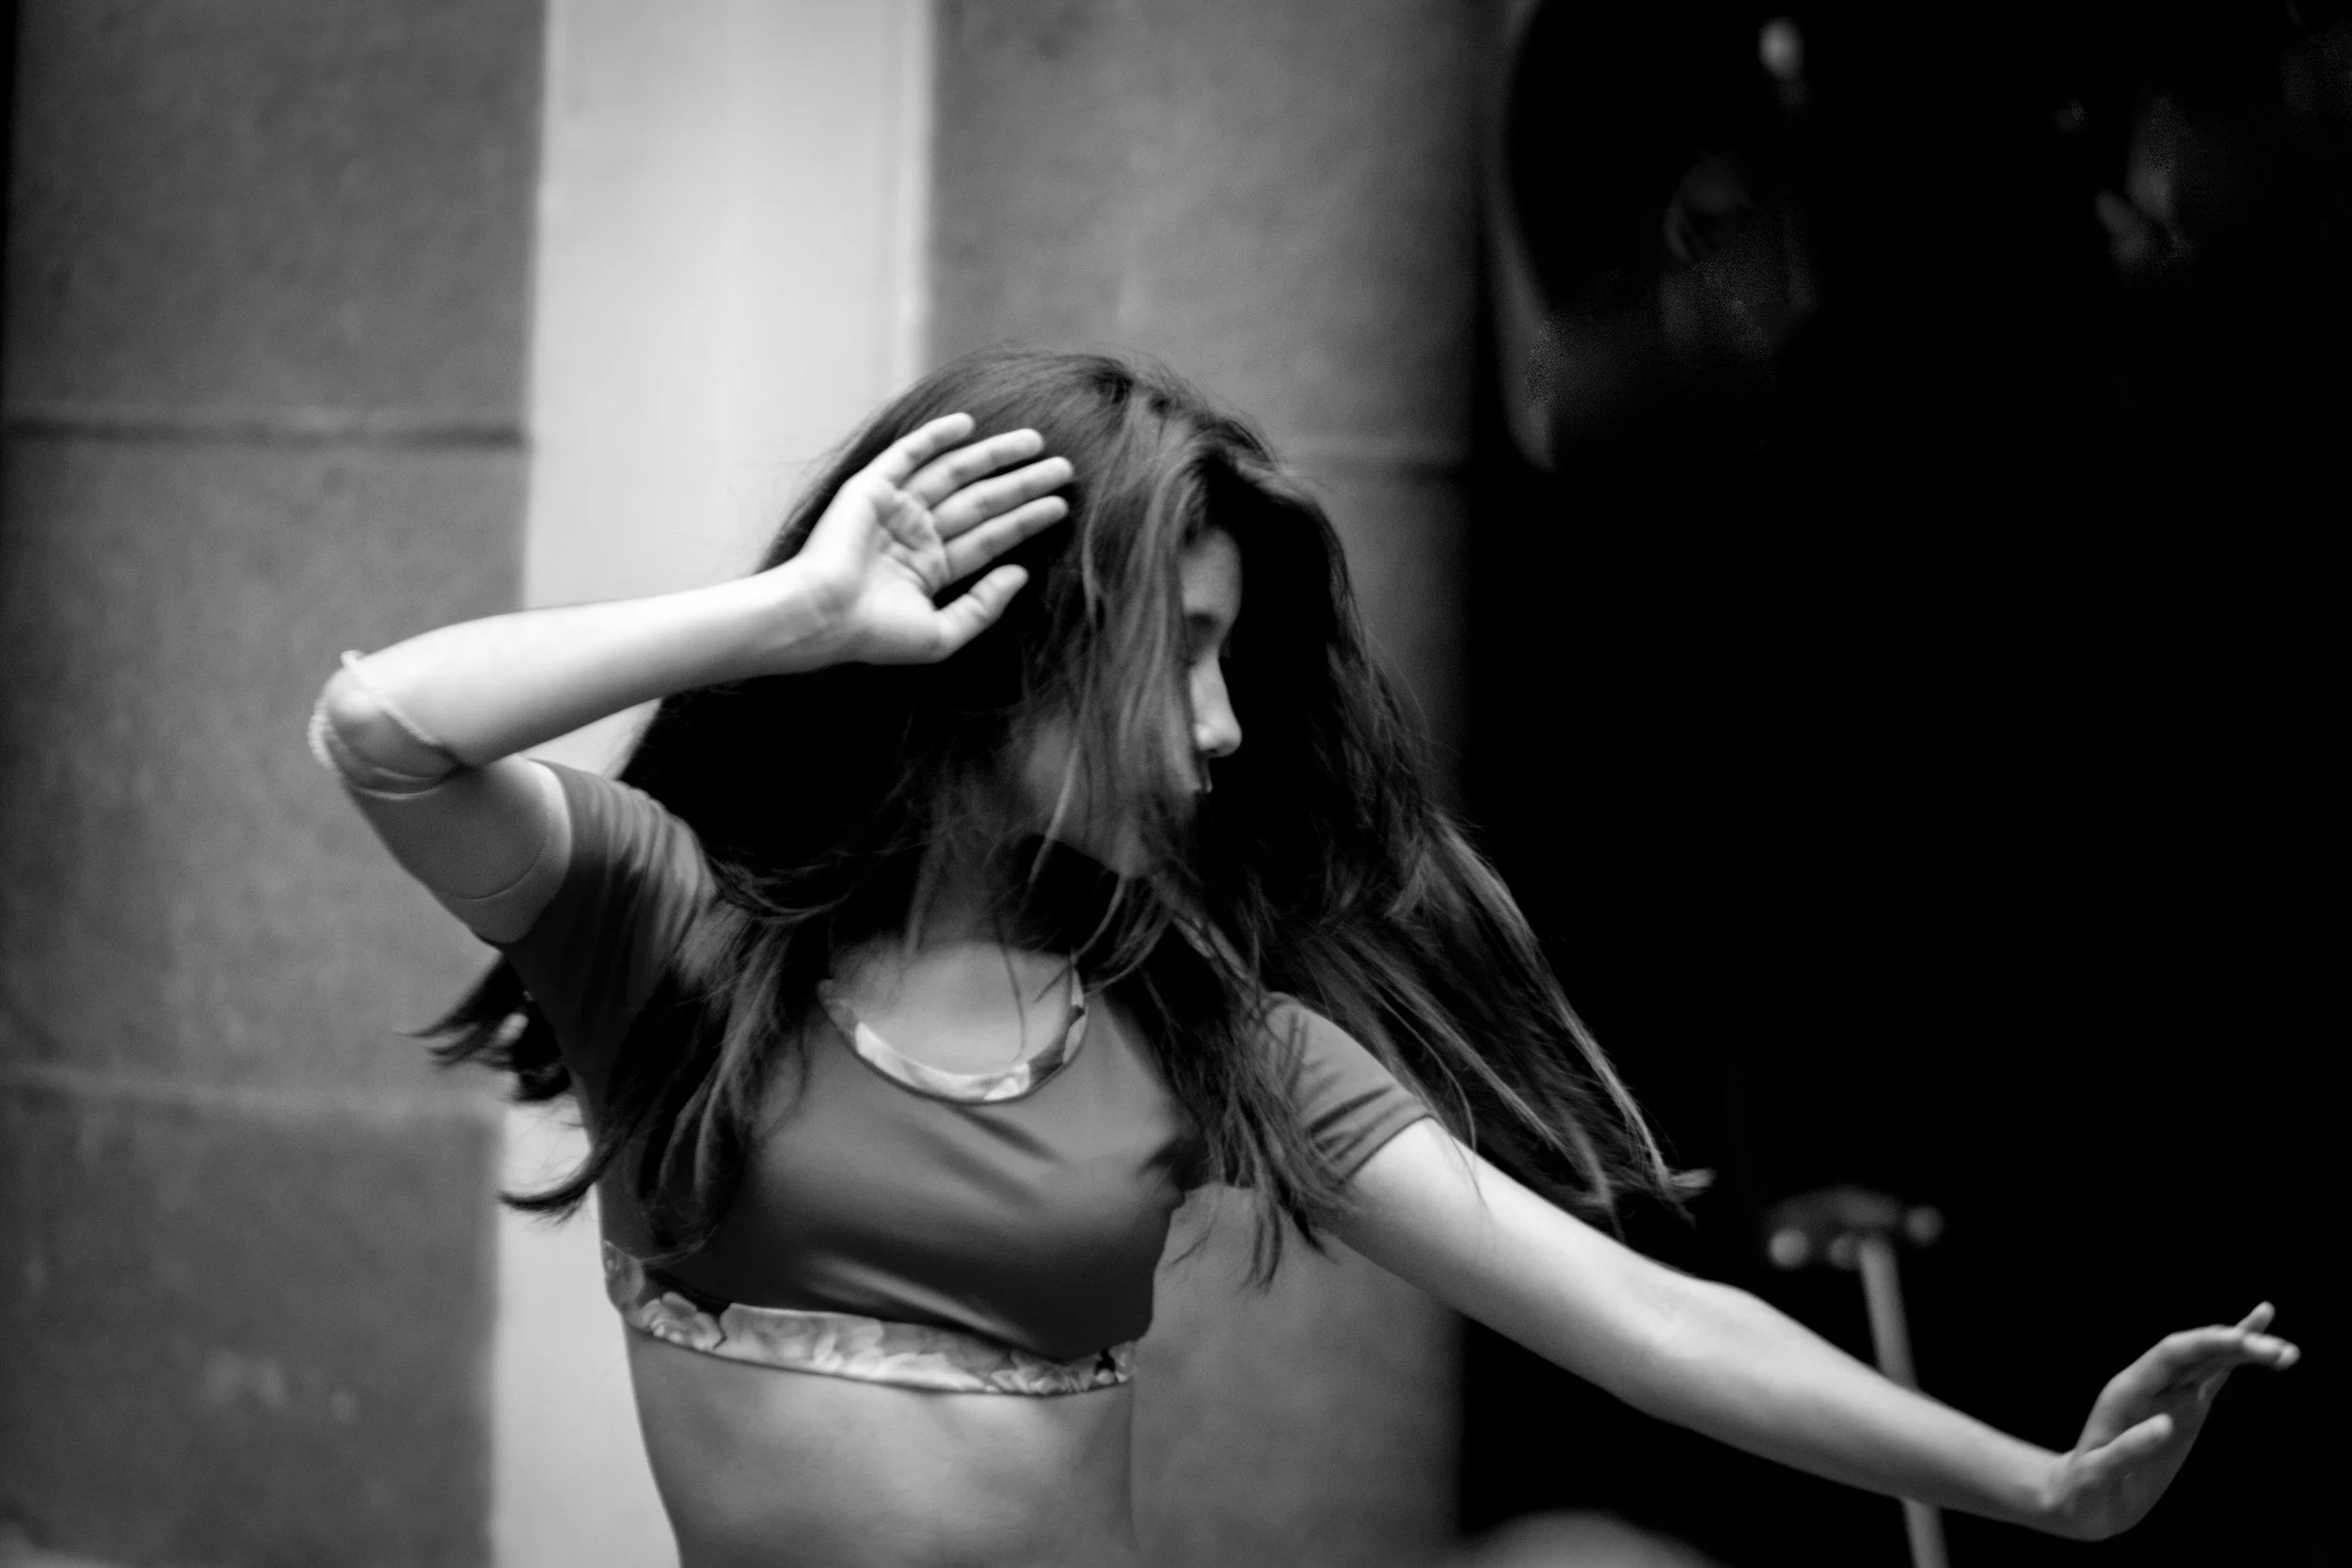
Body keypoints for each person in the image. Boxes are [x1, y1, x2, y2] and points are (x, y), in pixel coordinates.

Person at [310, 348, 2296, 1568]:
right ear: (1008, 629)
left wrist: (2033, 1480)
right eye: (1175, 644)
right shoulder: (667, 929)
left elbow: (1631, 1315)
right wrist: (787, 614)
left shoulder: (1204, 1036)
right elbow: (383, 723)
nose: (1224, 722)